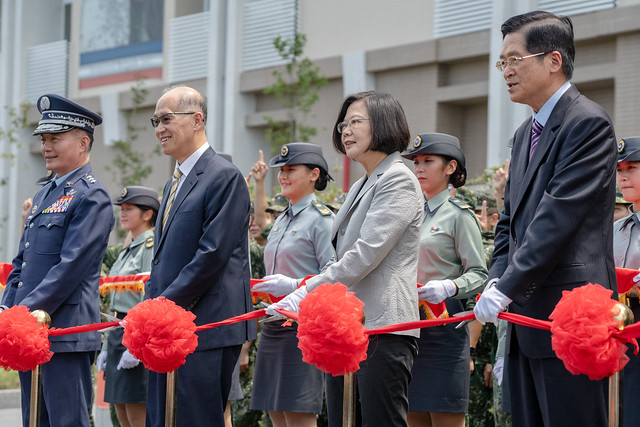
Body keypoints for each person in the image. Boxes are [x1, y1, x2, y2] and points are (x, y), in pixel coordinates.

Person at [473, 11, 617, 426]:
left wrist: (508, 286)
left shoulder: (587, 122)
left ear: (553, 60)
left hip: (571, 317)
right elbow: (510, 221)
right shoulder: (524, 134)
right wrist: (496, 280)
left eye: (514, 59)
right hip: (525, 318)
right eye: (502, 62)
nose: (506, 71)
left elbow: (558, 217)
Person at [267, 91, 423, 426]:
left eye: (355, 122)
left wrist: (306, 291)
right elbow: (340, 255)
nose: (346, 131)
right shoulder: (362, 184)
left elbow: (365, 253)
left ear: (383, 124)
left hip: (383, 325)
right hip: (347, 327)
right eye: (343, 125)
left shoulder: (398, 178)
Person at [0, 94, 114, 426]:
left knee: (66, 422)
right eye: (44, 140)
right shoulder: (44, 193)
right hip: (29, 332)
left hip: (66, 334)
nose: (46, 147)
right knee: (34, 420)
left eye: (55, 139)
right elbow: (22, 262)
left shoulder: (91, 196)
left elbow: (70, 268)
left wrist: (20, 313)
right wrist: (7, 308)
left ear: (83, 142)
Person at [146, 85, 256, 426]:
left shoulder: (223, 176)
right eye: (155, 121)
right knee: (162, 417)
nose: (159, 129)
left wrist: (161, 306)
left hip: (205, 327)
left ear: (197, 120)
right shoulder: (173, 182)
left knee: (195, 419)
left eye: (166, 119)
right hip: (167, 326)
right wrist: (153, 311)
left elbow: (212, 254)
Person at [401, 133, 487, 427]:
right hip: (408, 328)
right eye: (416, 162)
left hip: (444, 327)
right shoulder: (410, 214)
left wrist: (450, 286)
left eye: (428, 161)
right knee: (413, 417)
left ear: (450, 167)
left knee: (445, 419)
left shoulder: (458, 215)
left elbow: (479, 274)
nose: (419, 168)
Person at [251, 142, 335, 427]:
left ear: (314, 174)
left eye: (291, 170)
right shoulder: (281, 219)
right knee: (275, 412)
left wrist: (294, 285)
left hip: (303, 325)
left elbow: (334, 273)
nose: (283, 176)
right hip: (273, 324)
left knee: (298, 414)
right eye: (281, 170)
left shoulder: (322, 220)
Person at [97, 186, 159, 427]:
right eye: (121, 209)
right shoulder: (129, 247)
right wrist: (106, 345)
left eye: (129, 209)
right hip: (118, 333)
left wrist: (138, 343)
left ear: (147, 214)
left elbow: (149, 296)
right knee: (121, 412)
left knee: (136, 414)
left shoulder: (149, 246)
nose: (122, 214)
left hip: (135, 333)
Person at [613, 136, 640, 427]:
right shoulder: (613, 229)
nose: (622, 176)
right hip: (617, 327)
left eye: (631, 168)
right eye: (619, 170)